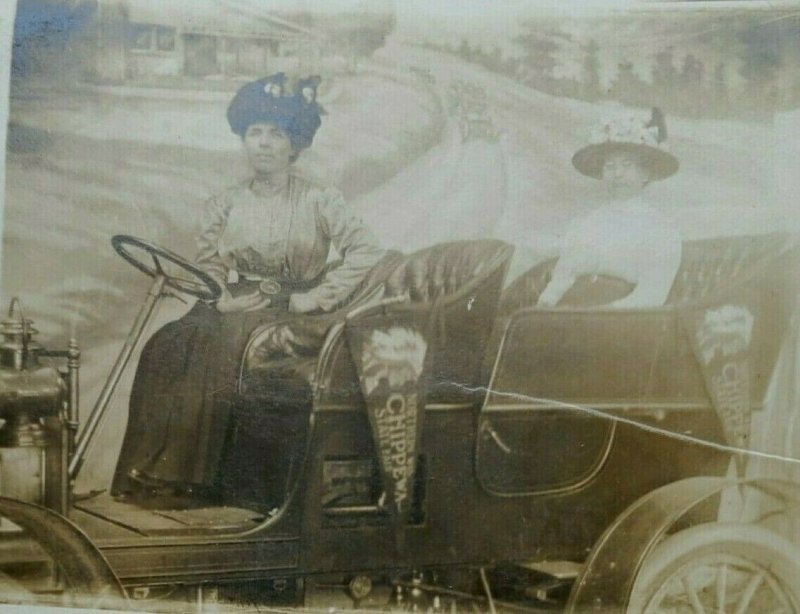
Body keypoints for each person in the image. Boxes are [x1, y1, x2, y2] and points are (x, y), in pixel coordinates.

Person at [111, 75, 385, 502]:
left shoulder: (320, 200)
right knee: (167, 344)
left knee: (219, 346)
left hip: (290, 305)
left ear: (294, 144)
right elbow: (211, 262)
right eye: (255, 132)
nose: (263, 143)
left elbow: (366, 251)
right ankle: (153, 472)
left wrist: (315, 298)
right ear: (243, 138)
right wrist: (220, 294)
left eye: (276, 134)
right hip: (232, 301)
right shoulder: (226, 201)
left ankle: (197, 482)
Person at [537, 108, 682, 309]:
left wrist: (601, 314)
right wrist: (544, 306)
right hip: (570, 311)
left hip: (620, 321)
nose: (618, 174)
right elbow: (562, 278)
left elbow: (651, 296)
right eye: (610, 167)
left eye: (627, 165)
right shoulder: (586, 223)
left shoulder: (660, 228)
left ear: (646, 174)